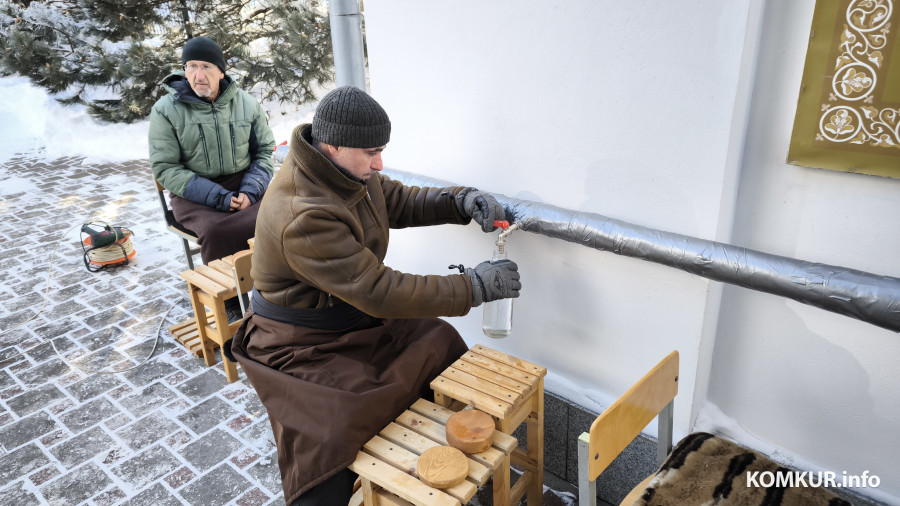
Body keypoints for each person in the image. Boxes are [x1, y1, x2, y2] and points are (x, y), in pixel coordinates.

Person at [229, 86, 522, 505]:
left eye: (381, 151)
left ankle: (464, 465)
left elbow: (398, 200)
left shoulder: (344, 170)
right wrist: (473, 287)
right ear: (332, 144)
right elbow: (378, 290)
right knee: (333, 429)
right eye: (371, 153)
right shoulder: (304, 213)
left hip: (354, 315)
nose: (379, 163)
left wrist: (460, 202)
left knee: (440, 343)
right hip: (301, 342)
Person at [148, 36, 276, 269]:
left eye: (206, 67)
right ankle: (231, 300)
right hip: (194, 193)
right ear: (184, 71)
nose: (199, 75)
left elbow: (265, 151)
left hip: (243, 185)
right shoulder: (165, 110)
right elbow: (165, 167)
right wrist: (219, 197)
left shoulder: (247, 104)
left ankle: (277, 282)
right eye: (192, 67)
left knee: (282, 213)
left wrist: (251, 190)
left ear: (221, 72)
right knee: (216, 232)